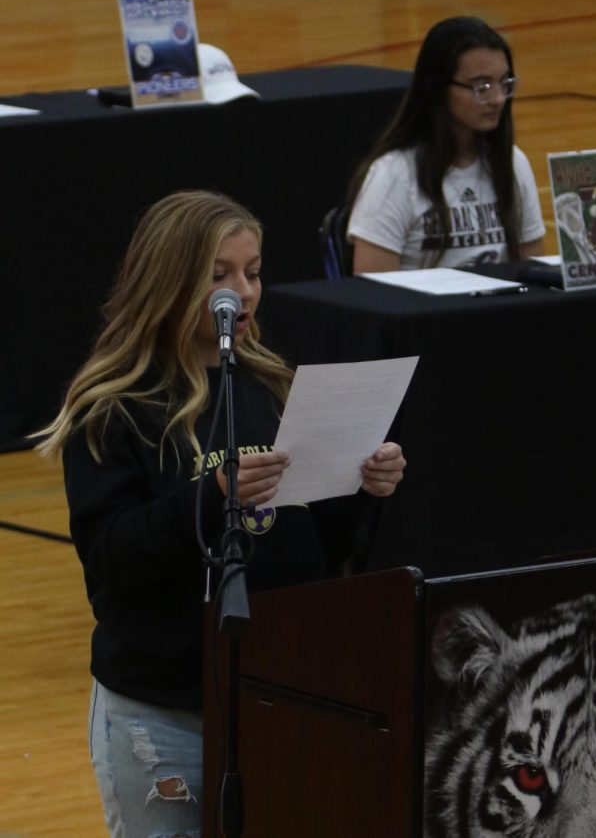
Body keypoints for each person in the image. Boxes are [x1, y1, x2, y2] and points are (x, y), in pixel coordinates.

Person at [34, 190, 406, 837]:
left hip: (271, 696)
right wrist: (209, 501)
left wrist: (360, 489)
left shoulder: (268, 388)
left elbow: (315, 551)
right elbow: (111, 563)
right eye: (219, 276)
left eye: (253, 272)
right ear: (170, 279)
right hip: (161, 709)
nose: (244, 291)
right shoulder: (114, 406)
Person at [347, 15, 545, 272]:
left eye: (504, 83)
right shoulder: (393, 176)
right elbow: (370, 295)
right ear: (438, 88)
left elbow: (534, 273)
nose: (497, 98)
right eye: (481, 86)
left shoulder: (512, 163)